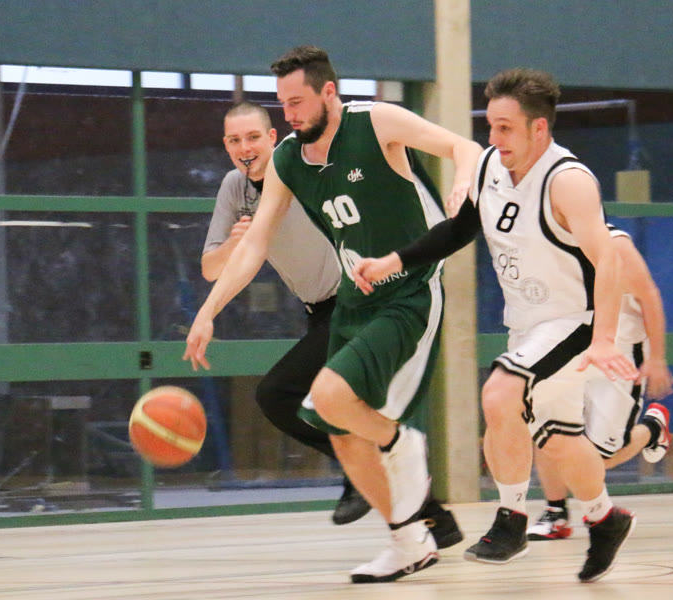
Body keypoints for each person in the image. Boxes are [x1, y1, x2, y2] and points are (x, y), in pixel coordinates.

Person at [184, 45, 480, 583]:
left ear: (328, 92)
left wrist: (463, 176)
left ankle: (399, 443)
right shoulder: (288, 159)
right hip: (353, 299)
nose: (290, 114)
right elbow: (253, 246)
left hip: (408, 291)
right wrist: (208, 311)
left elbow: (463, 145)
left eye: (297, 102)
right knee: (338, 428)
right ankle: (409, 541)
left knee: (329, 398)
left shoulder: (377, 121)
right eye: (283, 104)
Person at [351, 67, 640, 583]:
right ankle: (604, 518)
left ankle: (511, 521)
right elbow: (457, 231)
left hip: (575, 321)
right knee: (558, 439)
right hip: (527, 325)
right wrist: (393, 261)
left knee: (500, 393)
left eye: (505, 127)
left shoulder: (569, 181)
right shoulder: (489, 167)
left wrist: (602, 340)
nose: (493, 136)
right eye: (490, 125)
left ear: (539, 129)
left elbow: (609, 261)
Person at [202, 100, 369, 525]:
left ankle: (365, 470)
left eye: (253, 137)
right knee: (321, 404)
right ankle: (422, 509)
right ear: (226, 145)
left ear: (272, 138)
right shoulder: (234, 188)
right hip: (319, 310)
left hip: (357, 300)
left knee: (278, 394)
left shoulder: (297, 167)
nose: (245, 147)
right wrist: (233, 245)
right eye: (235, 140)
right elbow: (211, 268)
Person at [527, 228, 673, 540]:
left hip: (620, 351)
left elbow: (649, 295)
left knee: (600, 459)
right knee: (547, 428)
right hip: (570, 348)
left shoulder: (615, 243)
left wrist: (658, 357)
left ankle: (652, 429)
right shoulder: (543, 242)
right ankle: (555, 512)